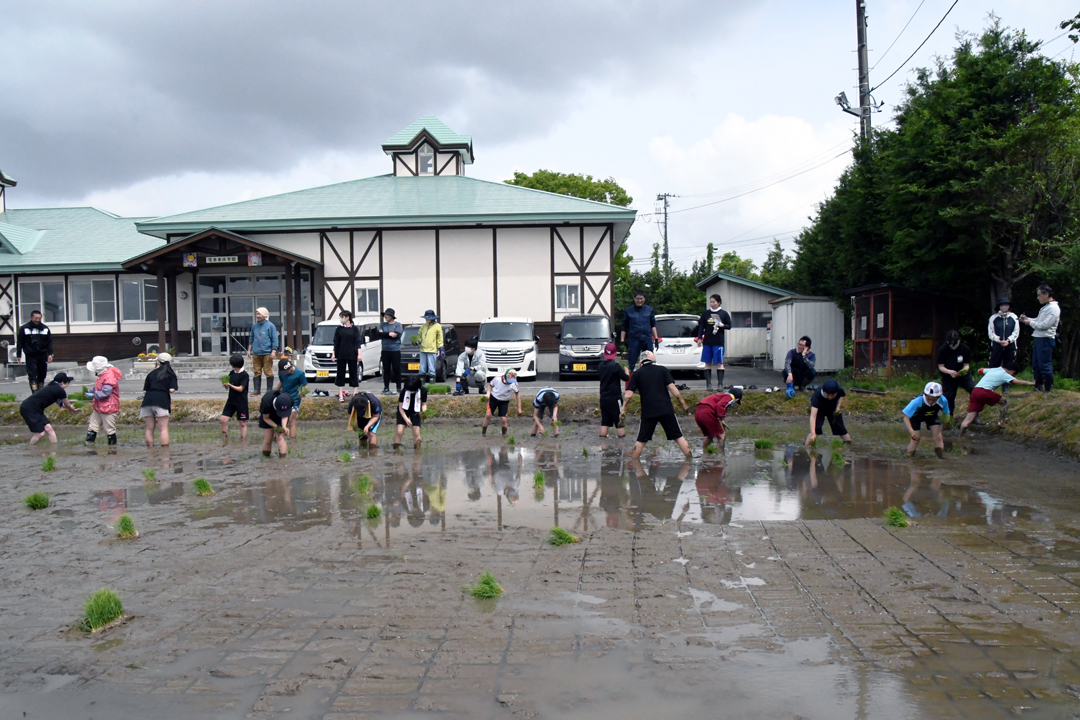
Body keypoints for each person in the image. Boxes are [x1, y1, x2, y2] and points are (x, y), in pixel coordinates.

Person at [621, 351, 692, 460]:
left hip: (648, 412)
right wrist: (683, 403)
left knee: (641, 440)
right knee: (678, 437)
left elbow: (629, 394)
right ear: (654, 360)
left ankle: (634, 464)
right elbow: (673, 388)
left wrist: (624, 408)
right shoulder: (662, 370)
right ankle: (690, 460)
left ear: (640, 362)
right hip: (666, 410)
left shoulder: (637, 373)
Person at [959, 361, 1036, 434]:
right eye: (1013, 375)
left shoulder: (995, 369)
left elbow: (979, 370)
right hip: (985, 391)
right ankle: (1001, 422)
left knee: (968, 420)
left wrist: (989, 371)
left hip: (975, 391)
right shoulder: (1005, 375)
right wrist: (1032, 383)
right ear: (1013, 372)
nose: (1012, 376)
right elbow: (1019, 382)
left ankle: (960, 436)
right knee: (1005, 402)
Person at [1020, 284, 1061, 393]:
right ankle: (1038, 387)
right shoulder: (1046, 307)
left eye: (1039, 295)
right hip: (1039, 338)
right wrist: (1027, 319)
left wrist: (1030, 323)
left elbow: (1045, 325)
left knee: (1045, 364)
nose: (1038, 298)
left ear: (1046, 294)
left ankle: (1049, 389)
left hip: (1046, 339)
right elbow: (1038, 320)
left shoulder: (1054, 308)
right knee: (1036, 364)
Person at [19, 372, 76, 444]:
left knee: (49, 429)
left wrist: (69, 407)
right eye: (67, 383)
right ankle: (30, 450)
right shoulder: (59, 390)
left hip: (36, 409)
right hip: (29, 409)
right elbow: (67, 404)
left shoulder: (52, 385)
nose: (67, 386)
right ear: (62, 383)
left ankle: (54, 449)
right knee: (40, 434)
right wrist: (72, 409)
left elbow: (61, 404)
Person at [902, 382, 951, 459]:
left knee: (938, 436)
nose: (931, 401)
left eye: (933, 400)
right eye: (929, 399)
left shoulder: (943, 400)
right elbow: (906, 418)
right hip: (915, 418)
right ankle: (909, 457)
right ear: (925, 395)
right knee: (916, 439)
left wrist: (947, 422)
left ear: (939, 397)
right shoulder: (917, 402)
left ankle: (940, 457)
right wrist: (911, 431)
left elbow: (947, 413)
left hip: (932, 417)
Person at [695, 294, 732, 391]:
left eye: (713, 302)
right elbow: (701, 326)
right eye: (710, 302)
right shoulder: (706, 313)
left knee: (719, 363)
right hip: (707, 341)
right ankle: (709, 385)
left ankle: (720, 384)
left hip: (718, 342)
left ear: (718, 302)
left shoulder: (723, 313)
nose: (712, 304)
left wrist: (722, 325)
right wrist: (699, 338)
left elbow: (729, 326)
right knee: (707, 363)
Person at [140, 352, 178, 448]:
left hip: (147, 401)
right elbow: (172, 389)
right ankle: (165, 452)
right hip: (161, 401)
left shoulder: (151, 374)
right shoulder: (171, 374)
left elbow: (144, 391)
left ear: (158, 361)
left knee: (149, 428)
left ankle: (150, 450)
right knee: (163, 429)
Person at [84, 356, 122, 446]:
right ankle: (89, 445)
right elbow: (100, 387)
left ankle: (112, 449)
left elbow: (106, 392)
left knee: (109, 428)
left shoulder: (109, 377)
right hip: (99, 406)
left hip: (109, 406)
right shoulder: (102, 375)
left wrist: (94, 395)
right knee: (93, 426)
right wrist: (92, 390)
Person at [936, 330, 973, 416]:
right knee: (949, 396)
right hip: (948, 377)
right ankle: (949, 416)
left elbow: (966, 365)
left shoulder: (965, 349)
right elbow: (941, 366)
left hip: (962, 376)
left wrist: (963, 371)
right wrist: (949, 372)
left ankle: (974, 414)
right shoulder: (942, 350)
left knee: (974, 390)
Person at [694, 387, 742, 452]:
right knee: (722, 436)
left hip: (698, 413)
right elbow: (719, 406)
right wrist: (722, 419)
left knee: (711, 435)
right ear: (737, 399)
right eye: (736, 402)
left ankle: (705, 453)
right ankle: (720, 456)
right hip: (707, 413)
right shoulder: (730, 397)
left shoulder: (720, 396)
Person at [16, 309, 53, 393]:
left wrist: (50, 354)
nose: (37, 320)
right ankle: (34, 393)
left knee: (42, 375)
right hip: (30, 355)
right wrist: (18, 355)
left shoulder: (45, 328)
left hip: (42, 354)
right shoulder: (24, 328)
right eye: (36, 318)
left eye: (39, 318)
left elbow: (49, 342)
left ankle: (40, 392)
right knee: (32, 375)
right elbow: (19, 342)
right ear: (31, 317)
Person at [598, 342, 630, 438]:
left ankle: (603, 445)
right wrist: (626, 370)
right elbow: (626, 378)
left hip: (603, 398)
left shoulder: (600, 366)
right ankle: (622, 444)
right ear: (615, 354)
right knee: (618, 421)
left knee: (605, 422)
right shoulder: (615, 366)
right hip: (614, 398)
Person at [806, 378, 851, 446]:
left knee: (841, 430)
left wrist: (838, 407)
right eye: (827, 395)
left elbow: (841, 396)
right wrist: (813, 433)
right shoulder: (817, 395)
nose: (830, 397)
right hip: (820, 410)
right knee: (816, 430)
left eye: (832, 395)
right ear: (823, 391)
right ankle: (807, 448)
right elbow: (813, 416)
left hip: (833, 409)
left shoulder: (839, 390)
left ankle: (847, 448)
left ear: (836, 392)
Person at [620, 290, 658, 371]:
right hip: (634, 339)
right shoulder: (629, 311)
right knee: (631, 363)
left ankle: (648, 380)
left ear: (644, 299)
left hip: (647, 339)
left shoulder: (649, 310)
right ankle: (630, 381)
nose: (639, 300)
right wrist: (622, 341)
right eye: (637, 298)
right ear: (634, 299)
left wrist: (656, 338)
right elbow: (624, 327)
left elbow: (653, 325)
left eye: (641, 298)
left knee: (649, 362)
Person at [247, 307, 279, 396]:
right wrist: (249, 350)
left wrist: (273, 351)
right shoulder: (254, 326)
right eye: (257, 314)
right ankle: (257, 391)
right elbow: (251, 338)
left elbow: (275, 339)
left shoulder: (270, 326)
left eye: (259, 314)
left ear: (264, 315)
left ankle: (269, 391)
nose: (257, 316)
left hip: (267, 353)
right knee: (256, 371)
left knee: (268, 371)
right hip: (256, 352)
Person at [331, 310, 362, 402]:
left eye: (342, 317)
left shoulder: (355, 329)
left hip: (352, 354)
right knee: (340, 374)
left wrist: (359, 354)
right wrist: (334, 354)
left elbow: (358, 342)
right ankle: (340, 394)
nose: (341, 319)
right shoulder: (339, 329)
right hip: (341, 354)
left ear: (347, 317)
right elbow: (336, 343)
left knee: (353, 373)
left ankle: (355, 393)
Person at [220, 353, 250, 444]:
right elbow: (228, 386)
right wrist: (226, 385)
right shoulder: (232, 373)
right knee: (223, 419)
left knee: (242, 423)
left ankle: (243, 441)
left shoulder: (245, 375)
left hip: (241, 401)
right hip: (231, 400)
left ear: (233, 364)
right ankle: (224, 439)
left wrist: (230, 385)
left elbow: (241, 389)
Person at [275, 358, 308, 439]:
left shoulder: (300, 374)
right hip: (284, 398)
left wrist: (302, 393)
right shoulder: (282, 373)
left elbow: (306, 387)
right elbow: (281, 382)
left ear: (290, 367)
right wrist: (274, 392)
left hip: (295, 399)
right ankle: (279, 438)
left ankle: (293, 440)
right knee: (280, 419)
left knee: (291, 421)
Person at [482, 368, 521, 436]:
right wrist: (488, 394)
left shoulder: (514, 384)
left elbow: (517, 394)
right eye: (509, 380)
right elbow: (490, 385)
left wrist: (519, 408)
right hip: (493, 398)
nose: (510, 382)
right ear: (505, 376)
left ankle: (504, 435)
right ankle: (483, 433)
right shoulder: (497, 379)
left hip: (504, 401)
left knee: (503, 419)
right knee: (488, 415)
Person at [394, 375, 428, 449]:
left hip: (416, 412)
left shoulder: (423, 390)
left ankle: (417, 450)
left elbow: (424, 404)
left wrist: (424, 413)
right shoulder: (404, 391)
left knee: (416, 432)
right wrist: (406, 419)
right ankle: (396, 449)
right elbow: (400, 407)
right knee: (399, 431)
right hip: (403, 411)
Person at [377, 308, 403, 395]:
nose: (386, 316)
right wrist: (388, 334)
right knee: (386, 369)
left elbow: (396, 335)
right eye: (385, 315)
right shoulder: (382, 325)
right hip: (385, 350)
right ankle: (386, 387)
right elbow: (379, 334)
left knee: (396, 369)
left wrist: (385, 334)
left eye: (387, 315)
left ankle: (399, 387)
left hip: (395, 350)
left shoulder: (398, 325)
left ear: (392, 316)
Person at [258, 391, 292, 457]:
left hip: (280, 415)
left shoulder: (289, 400)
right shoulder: (266, 402)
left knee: (280, 437)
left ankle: (282, 459)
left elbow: (285, 415)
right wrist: (277, 426)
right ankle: (266, 457)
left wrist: (284, 426)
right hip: (268, 415)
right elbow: (266, 418)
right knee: (268, 439)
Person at [987, 297, 1019, 368]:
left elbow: (1016, 331)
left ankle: (1008, 379)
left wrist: (1008, 340)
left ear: (1009, 306)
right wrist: (998, 340)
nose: (1004, 306)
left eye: (1006, 304)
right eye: (1002, 305)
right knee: (993, 366)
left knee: (1009, 367)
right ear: (999, 306)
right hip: (996, 346)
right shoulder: (993, 318)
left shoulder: (1013, 317)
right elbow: (990, 332)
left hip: (1010, 346)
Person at [418, 310, 443, 385]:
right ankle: (422, 385)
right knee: (422, 369)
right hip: (423, 349)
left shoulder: (437, 326)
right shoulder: (423, 326)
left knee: (432, 369)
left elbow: (439, 338)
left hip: (432, 350)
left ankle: (431, 385)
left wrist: (441, 348)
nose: (427, 320)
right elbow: (420, 336)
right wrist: (417, 341)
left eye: (428, 318)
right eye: (426, 318)